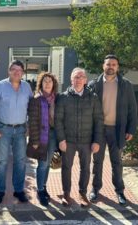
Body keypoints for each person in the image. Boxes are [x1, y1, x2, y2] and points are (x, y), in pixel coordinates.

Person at [88, 54, 137, 205]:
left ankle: (120, 191)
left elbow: (132, 109)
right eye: (108, 64)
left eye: (114, 64)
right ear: (103, 66)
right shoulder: (93, 84)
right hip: (99, 130)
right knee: (97, 161)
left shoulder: (126, 84)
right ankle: (95, 189)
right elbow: (87, 109)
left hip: (118, 130)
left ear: (118, 67)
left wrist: (131, 129)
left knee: (117, 162)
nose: (111, 67)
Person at [55, 68, 103, 207]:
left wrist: (96, 141)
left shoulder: (93, 98)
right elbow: (58, 120)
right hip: (68, 141)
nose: (79, 79)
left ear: (85, 80)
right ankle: (66, 193)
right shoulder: (63, 97)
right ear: (71, 80)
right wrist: (61, 139)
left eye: (81, 76)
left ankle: (82, 194)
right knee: (66, 168)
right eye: (76, 77)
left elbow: (99, 120)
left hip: (87, 141)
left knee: (85, 168)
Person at [0, 60, 33, 204]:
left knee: (20, 161)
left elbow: (31, 108)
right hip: (3, 129)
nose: (16, 72)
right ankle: (0, 191)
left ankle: (18, 190)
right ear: (9, 71)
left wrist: (30, 126)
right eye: (14, 69)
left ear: (23, 73)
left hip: (20, 130)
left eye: (19, 70)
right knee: (2, 162)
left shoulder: (27, 87)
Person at [27, 72, 58, 206]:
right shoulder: (36, 99)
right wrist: (34, 140)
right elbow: (32, 122)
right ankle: (40, 190)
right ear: (41, 83)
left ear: (53, 84)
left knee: (47, 165)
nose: (47, 83)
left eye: (50, 81)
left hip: (53, 135)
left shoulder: (57, 98)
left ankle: (43, 187)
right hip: (41, 136)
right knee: (42, 164)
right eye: (44, 81)